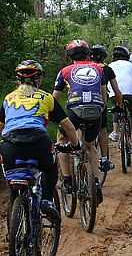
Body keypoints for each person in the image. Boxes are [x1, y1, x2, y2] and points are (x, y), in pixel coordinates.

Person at [0, 60, 79, 223]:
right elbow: (68, 127)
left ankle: (14, 224)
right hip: (38, 142)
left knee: (14, 183)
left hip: (9, 145)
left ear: (18, 80)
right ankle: (47, 200)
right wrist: (75, 145)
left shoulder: (8, 99)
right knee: (50, 168)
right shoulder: (46, 97)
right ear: (39, 79)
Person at [53, 39, 107, 203]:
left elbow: (54, 99)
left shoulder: (65, 71)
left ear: (69, 55)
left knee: (61, 140)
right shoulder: (99, 68)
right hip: (96, 111)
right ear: (88, 54)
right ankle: (96, 184)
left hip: (74, 111)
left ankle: (68, 181)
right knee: (90, 146)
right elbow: (104, 94)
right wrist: (100, 110)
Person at [90, 44, 123, 172]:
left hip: (78, 103)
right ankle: (104, 159)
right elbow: (116, 91)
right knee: (102, 130)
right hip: (99, 103)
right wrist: (119, 105)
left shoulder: (83, 68)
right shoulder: (107, 69)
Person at [108, 46, 132, 155]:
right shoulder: (131, 65)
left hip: (114, 93)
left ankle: (115, 132)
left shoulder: (109, 66)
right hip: (131, 93)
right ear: (127, 56)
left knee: (117, 108)